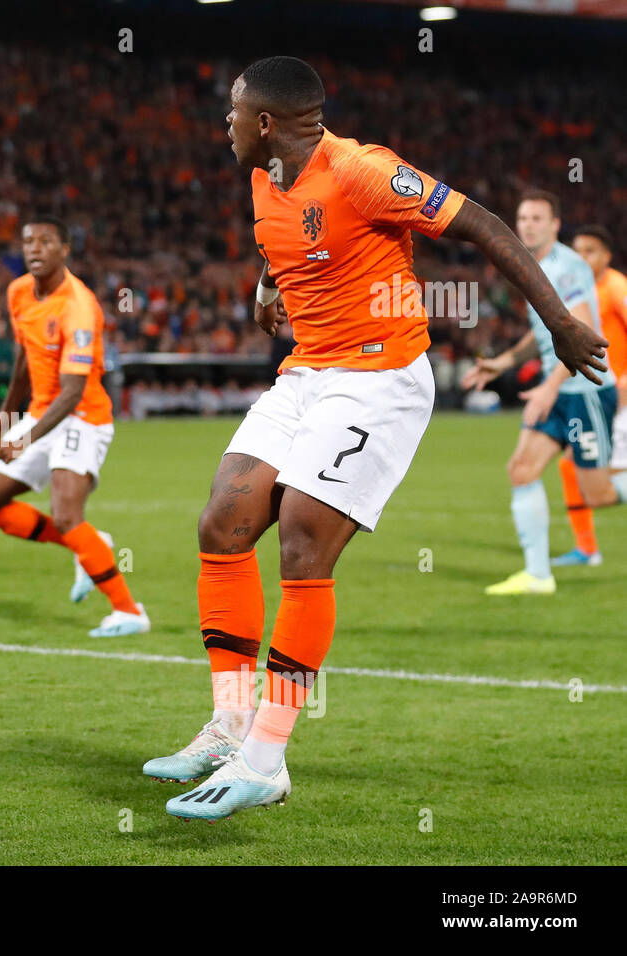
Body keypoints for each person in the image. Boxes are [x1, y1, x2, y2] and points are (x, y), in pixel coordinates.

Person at [148, 57, 606, 821]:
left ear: (265, 122)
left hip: (380, 376)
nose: (222, 125)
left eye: (232, 113)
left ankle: (266, 758)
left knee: (301, 538)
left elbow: (486, 226)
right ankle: (228, 727)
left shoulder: (363, 171)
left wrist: (558, 322)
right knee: (222, 524)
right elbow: (281, 245)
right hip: (307, 371)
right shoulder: (266, 177)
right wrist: (268, 288)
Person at [0, 216, 148, 638]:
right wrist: (8, 411)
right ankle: (89, 546)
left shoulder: (78, 308)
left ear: (64, 250)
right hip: (40, 411)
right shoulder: (18, 293)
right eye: (28, 241)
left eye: (46, 241)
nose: (34, 248)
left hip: (82, 416)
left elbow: (72, 391)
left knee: (67, 515)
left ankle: (128, 611)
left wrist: (23, 440)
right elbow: (24, 354)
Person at [462, 195, 623, 594]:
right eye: (522, 218)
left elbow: (579, 335)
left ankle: (539, 572)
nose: (528, 225)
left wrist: (549, 389)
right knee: (521, 470)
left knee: (598, 494)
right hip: (558, 389)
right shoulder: (533, 266)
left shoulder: (566, 268)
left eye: (537, 218)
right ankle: (538, 575)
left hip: (583, 389)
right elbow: (548, 332)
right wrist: (504, 362)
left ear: (555, 224)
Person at [549, 224, 627, 566]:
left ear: (606, 256)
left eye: (590, 251)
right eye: (577, 250)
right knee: (571, 465)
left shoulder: (616, 286)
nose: (581, 257)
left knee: (598, 480)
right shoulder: (578, 290)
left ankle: (587, 549)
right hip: (597, 395)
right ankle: (586, 548)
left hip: (618, 395)